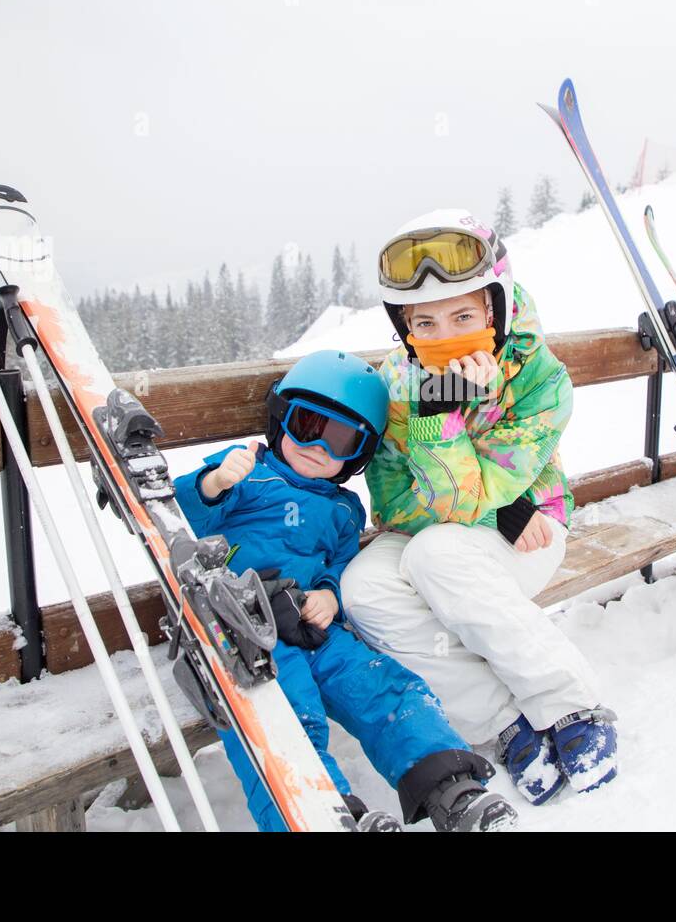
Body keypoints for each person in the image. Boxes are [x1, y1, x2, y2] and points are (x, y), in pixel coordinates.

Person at [339, 209, 618, 808]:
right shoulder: (398, 385)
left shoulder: (541, 380)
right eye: (426, 323)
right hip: (474, 526)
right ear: (404, 326)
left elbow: (486, 491)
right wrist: (437, 410)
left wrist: (497, 504)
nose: (445, 336)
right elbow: (391, 504)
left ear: (496, 308)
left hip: (533, 533)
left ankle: (569, 703)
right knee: (363, 587)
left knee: (439, 553)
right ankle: (502, 723)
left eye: (463, 315)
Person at [172, 349, 517, 832]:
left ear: (357, 455)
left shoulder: (342, 508)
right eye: (307, 425)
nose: (320, 448)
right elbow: (181, 517)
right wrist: (214, 482)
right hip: (242, 630)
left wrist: (331, 595)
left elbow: (338, 561)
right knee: (287, 711)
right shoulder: (249, 474)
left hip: (313, 626)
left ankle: (450, 787)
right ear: (279, 420)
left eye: (341, 440)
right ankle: (319, 813)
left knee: (385, 688)